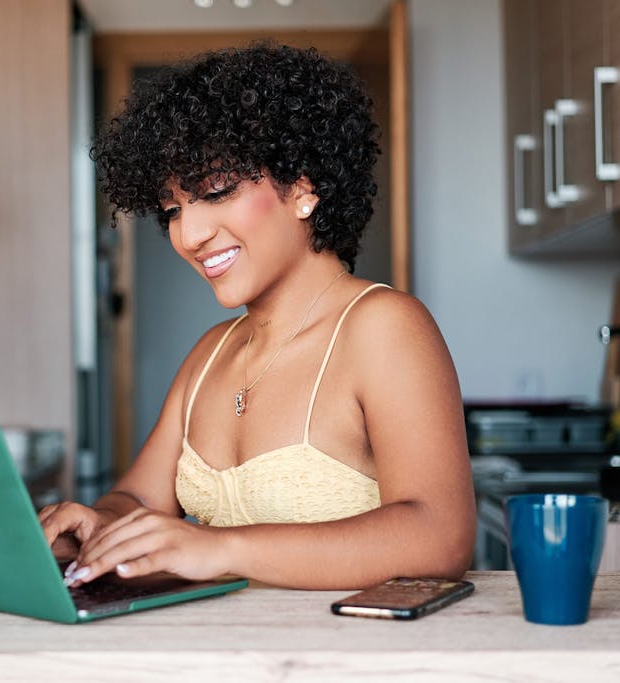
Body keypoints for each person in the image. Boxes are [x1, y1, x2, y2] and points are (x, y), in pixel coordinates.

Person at [39, 42, 476, 590]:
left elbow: (441, 536)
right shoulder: (211, 353)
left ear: (302, 189)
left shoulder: (384, 327)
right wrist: (98, 523)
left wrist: (218, 548)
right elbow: (139, 498)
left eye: (216, 193)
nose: (189, 235)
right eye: (173, 210)